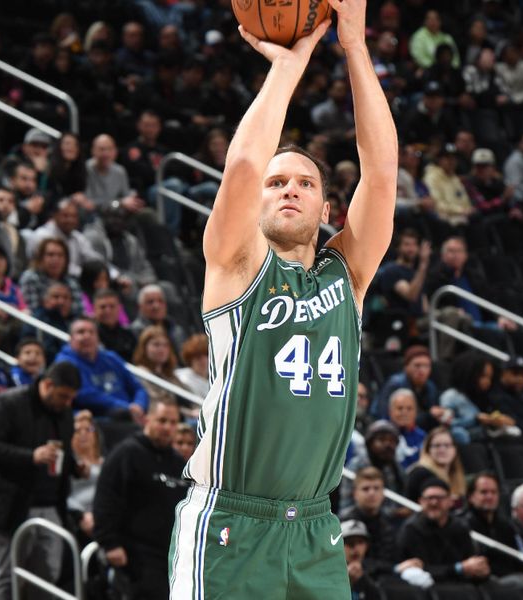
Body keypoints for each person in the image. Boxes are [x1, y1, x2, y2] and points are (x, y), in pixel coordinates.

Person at [169, 0, 399, 594]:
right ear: (258, 202)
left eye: (304, 183)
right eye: (277, 184)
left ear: (328, 210)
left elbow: (381, 173)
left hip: (316, 528)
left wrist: (355, 47)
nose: (288, 190)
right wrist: (289, 65)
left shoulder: (344, 275)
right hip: (229, 525)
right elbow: (243, 165)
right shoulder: (236, 265)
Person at [0, 362, 81, 600]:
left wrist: (76, 467)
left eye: (71, 398)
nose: (67, 403)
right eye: (63, 396)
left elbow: (64, 455)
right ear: (47, 384)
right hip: (9, 504)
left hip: (50, 504)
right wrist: (31, 456)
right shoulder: (7, 404)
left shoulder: (65, 414)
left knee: (48, 576)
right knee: (7, 575)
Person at [93, 398, 187, 599]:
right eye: (162, 421)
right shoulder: (127, 453)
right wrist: (109, 543)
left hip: (169, 556)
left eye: (172, 423)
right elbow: (106, 498)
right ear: (147, 419)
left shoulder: (178, 462)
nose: (167, 428)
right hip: (135, 555)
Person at [398, 478, 523, 599]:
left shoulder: (460, 527)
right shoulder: (411, 530)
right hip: (429, 589)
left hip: (462, 587)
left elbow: (469, 561)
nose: (434, 502)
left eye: (439, 498)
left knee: (511, 590)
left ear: (450, 501)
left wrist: (480, 571)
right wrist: (459, 568)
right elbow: (419, 571)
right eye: (429, 498)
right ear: (420, 501)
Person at [55, 318, 148, 421]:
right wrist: (127, 407)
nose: (87, 336)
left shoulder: (111, 357)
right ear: (71, 339)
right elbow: (84, 395)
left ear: (98, 338)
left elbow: (138, 387)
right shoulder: (64, 362)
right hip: (96, 420)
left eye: (91, 332)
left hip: (130, 415)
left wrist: (139, 405)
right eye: (81, 332)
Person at [458, 473, 523, 582]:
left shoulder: (506, 526)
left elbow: (516, 558)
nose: (489, 496)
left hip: (509, 578)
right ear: (471, 497)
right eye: (484, 492)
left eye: (494, 492)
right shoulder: (463, 525)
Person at [440, 351, 517, 443]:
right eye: (483, 376)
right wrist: (476, 419)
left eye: (490, 377)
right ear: (469, 373)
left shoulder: (485, 398)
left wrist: (499, 421)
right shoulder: (451, 396)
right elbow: (446, 424)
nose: (488, 382)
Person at [372, 345, 441, 430]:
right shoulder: (395, 384)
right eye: (417, 365)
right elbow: (382, 414)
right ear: (406, 366)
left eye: (426, 366)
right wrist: (429, 415)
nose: (422, 370)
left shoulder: (431, 387)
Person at [19, 237, 84, 315]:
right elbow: (32, 311)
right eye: (50, 255)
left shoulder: (71, 283)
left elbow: (78, 312)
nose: (55, 259)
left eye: (60, 255)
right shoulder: (31, 278)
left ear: (66, 260)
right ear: (40, 258)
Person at [405, 427, 466, 504]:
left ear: (455, 449)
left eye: (447, 445)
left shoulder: (455, 474)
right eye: (437, 445)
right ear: (428, 450)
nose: (442, 450)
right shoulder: (420, 473)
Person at [68, 410, 103, 543]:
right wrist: (81, 515)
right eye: (78, 431)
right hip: (76, 515)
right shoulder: (69, 464)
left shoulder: (106, 463)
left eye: (88, 430)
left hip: (102, 514)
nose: (83, 434)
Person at [132, 325, 185, 403]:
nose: (162, 349)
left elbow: (191, 398)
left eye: (165, 345)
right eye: (156, 345)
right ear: (144, 348)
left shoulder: (170, 374)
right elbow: (158, 402)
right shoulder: (141, 374)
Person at [129, 284, 186, 352]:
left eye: (160, 301)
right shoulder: (133, 333)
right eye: (150, 302)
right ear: (140, 307)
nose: (156, 306)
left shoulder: (177, 331)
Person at [341, 520, 387, 600]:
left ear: (367, 546)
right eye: (350, 543)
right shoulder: (329, 572)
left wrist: (363, 579)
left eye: (360, 542)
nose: (356, 549)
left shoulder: (375, 569)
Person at [92, 289, 136, 362]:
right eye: (103, 307)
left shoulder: (129, 335)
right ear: (94, 309)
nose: (108, 311)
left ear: (119, 308)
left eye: (112, 306)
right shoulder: (90, 336)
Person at [388, 388, 427, 469]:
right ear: (390, 411)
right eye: (400, 408)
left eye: (409, 408)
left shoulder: (424, 438)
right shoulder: (382, 435)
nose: (404, 412)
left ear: (416, 412)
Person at [173, 333, 209, 398]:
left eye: (207, 355)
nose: (204, 360)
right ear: (190, 359)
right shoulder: (183, 378)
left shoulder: (213, 379)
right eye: (198, 357)